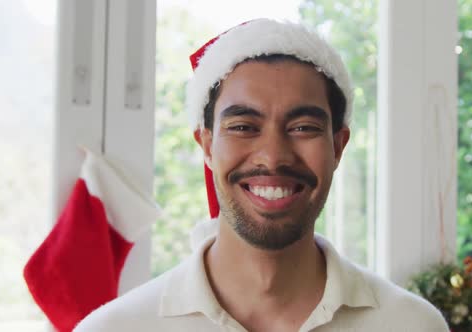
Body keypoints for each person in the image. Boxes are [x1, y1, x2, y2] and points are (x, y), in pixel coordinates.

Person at [75, 18, 449, 332]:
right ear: (206, 146)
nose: (273, 157)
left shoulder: (412, 324)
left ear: (338, 146)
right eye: (243, 127)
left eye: (303, 127)